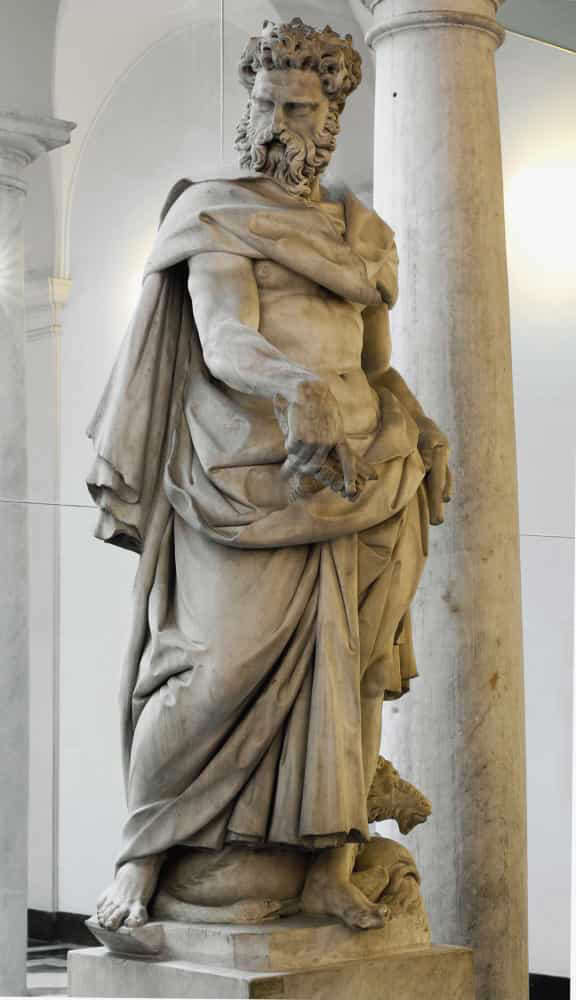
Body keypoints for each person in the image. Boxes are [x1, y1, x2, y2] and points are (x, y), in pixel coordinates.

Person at [88, 17, 450, 934]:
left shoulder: (365, 237)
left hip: (364, 475)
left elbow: (376, 366)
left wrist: (419, 423)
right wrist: (296, 388)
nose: (277, 123)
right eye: (265, 104)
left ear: (331, 119)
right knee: (205, 671)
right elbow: (224, 336)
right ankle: (142, 857)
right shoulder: (217, 213)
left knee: (352, 676)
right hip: (246, 475)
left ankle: (328, 866)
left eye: (297, 108)